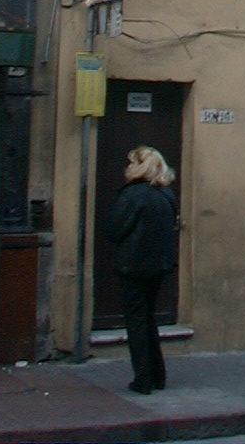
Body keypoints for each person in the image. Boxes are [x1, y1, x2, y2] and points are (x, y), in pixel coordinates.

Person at [107, 145, 179, 393]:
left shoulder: (132, 195)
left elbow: (114, 230)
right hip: (159, 266)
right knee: (149, 317)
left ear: (140, 166)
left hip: (133, 266)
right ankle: (158, 375)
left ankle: (143, 378)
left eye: (131, 163)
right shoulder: (166, 194)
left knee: (137, 321)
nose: (128, 167)